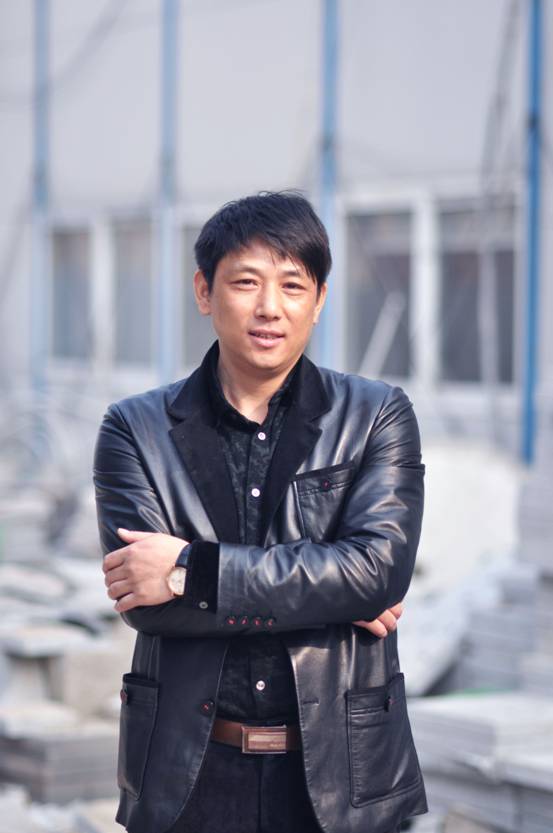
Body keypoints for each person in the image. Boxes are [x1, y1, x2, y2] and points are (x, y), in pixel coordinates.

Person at [93, 191, 428, 833]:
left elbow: (377, 574)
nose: (270, 307)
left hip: (341, 771)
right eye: (246, 282)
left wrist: (191, 571)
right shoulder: (135, 429)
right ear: (204, 290)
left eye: (293, 285)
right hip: (187, 772)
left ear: (319, 299)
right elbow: (146, 604)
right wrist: (331, 589)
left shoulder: (375, 415)